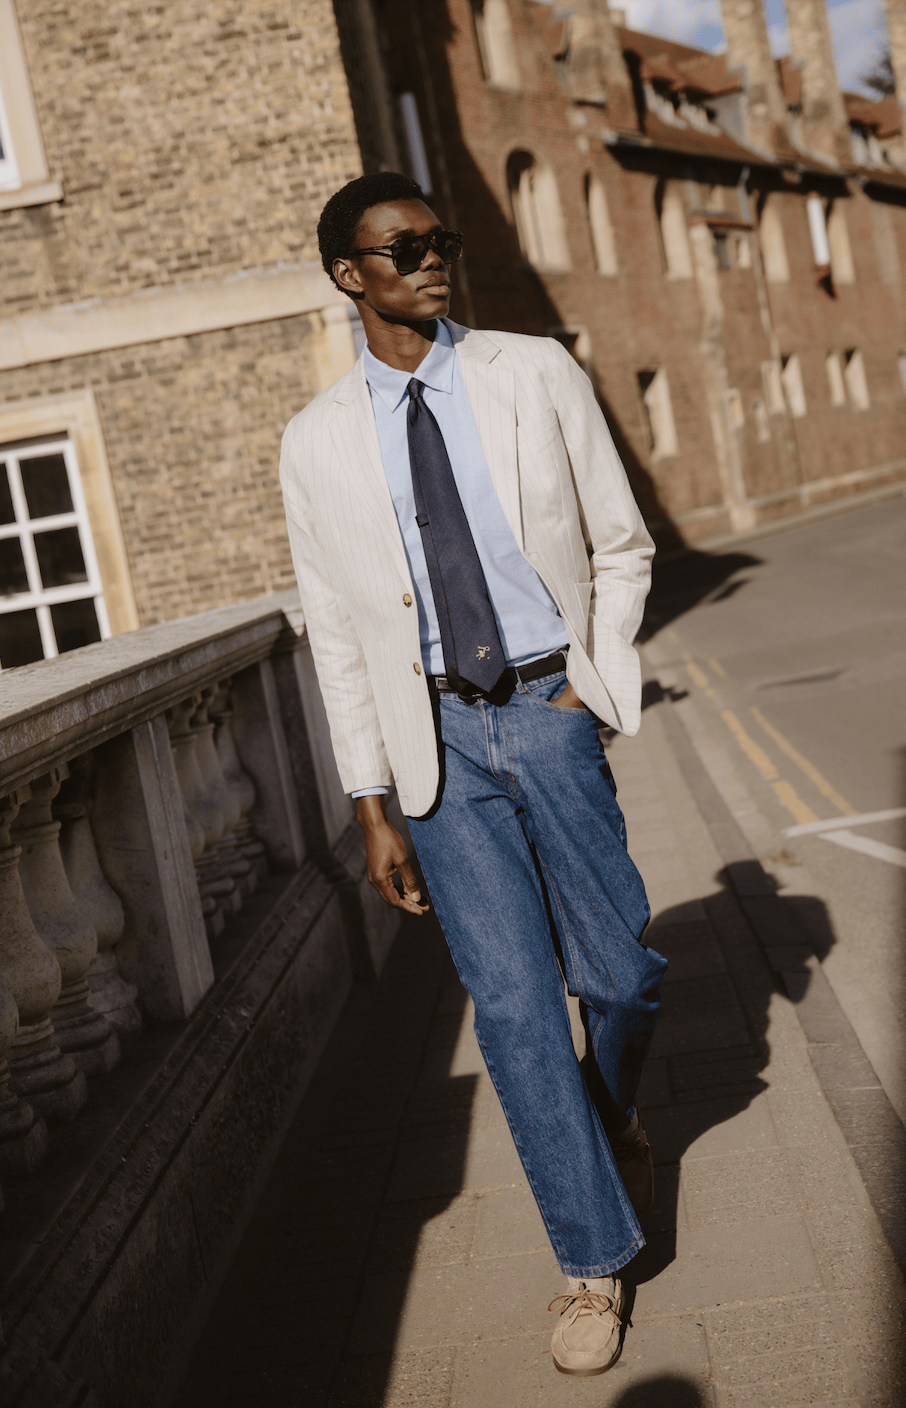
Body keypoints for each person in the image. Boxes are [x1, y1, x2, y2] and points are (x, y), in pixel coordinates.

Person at [280, 171, 667, 1378]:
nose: (433, 259)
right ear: (353, 276)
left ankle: (601, 1122)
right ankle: (590, 1260)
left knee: (623, 971)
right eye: (406, 248)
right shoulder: (316, 442)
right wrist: (368, 801)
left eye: (440, 240)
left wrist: (589, 688)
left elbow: (620, 540)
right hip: (433, 744)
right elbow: (337, 628)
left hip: (547, 710)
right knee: (509, 1011)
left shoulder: (531, 372)